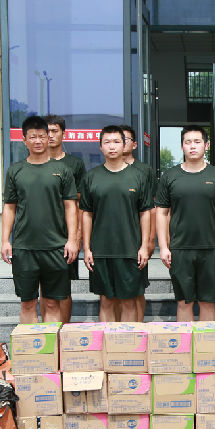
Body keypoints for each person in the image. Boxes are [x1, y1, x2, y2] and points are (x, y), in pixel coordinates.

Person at [1, 115, 78, 323]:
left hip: (55, 247)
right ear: (24, 140)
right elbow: (9, 207)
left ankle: (50, 345)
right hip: (24, 247)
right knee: (27, 303)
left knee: (52, 303)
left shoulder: (62, 170)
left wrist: (72, 240)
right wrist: (5, 241)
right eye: (32, 137)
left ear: (48, 138)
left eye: (42, 136)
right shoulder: (15, 171)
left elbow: (70, 207)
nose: (38, 141)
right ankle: (31, 345)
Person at [156, 125, 215, 321]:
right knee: (184, 302)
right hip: (180, 249)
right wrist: (164, 247)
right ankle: (185, 342)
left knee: (207, 301)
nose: (193, 146)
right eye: (188, 142)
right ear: (182, 146)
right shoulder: (170, 176)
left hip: (211, 249)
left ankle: (206, 341)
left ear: (206, 145)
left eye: (197, 142)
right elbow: (162, 213)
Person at [80, 126, 154, 322]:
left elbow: (145, 213)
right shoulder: (91, 177)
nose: (112, 146)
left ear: (124, 145)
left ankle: (128, 341)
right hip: (101, 251)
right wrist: (86, 248)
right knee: (106, 301)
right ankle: (108, 341)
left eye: (116, 142)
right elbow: (86, 214)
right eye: (107, 142)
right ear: (100, 147)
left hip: (130, 250)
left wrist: (144, 246)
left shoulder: (138, 176)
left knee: (129, 301)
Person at [45, 114, 85, 323]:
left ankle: (64, 330)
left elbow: (78, 204)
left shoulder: (74, 164)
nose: (50, 135)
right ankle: (47, 333)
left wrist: (76, 237)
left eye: (55, 131)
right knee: (44, 287)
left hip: (64, 233)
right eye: (46, 131)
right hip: (41, 234)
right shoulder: (33, 164)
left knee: (63, 287)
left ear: (63, 133)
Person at [120, 124, 157, 321]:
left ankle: (138, 327)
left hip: (136, 237)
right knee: (112, 295)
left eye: (124, 139)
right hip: (113, 240)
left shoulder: (144, 171)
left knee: (137, 289)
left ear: (134, 144)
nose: (120, 143)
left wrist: (150, 239)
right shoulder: (103, 172)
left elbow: (152, 207)